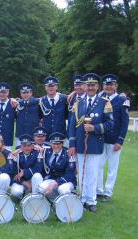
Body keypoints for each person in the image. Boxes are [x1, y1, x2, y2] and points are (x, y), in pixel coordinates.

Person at [68, 73, 114, 212]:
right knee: (81, 172)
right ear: (84, 86)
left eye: (93, 85)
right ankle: (82, 198)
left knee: (92, 173)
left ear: (97, 87)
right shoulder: (78, 103)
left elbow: (111, 124)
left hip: (94, 143)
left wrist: (94, 128)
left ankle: (91, 200)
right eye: (88, 85)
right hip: (80, 144)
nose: (90, 88)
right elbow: (71, 126)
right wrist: (71, 144)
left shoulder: (104, 102)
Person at [97, 74, 129, 202]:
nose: (108, 87)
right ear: (103, 86)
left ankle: (108, 193)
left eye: (111, 84)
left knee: (112, 168)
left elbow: (125, 122)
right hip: (100, 139)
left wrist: (120, 140)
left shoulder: (122, 100)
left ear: (116, 86)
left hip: (114, 140)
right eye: (106, 84)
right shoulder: (100, 98)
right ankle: (98, 191)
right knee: (98, 165)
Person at [38, 132, 77, 198]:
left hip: (66, 181)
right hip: (52, 179)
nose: (56, 146)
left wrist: (56, 183)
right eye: (54, 143)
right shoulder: (46, 152)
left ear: (62, 143)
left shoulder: (68, 154)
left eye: (58, 143)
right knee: (41, 188)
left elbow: (70, 174)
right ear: (51, 143)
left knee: (62, 189)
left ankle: (70, 198)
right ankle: (54, 200)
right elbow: (30, 146)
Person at [10, 134, 43, 198]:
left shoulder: (37, 153)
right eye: (24, 146)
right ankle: (22, 195)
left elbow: (38, 168)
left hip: (32, 179)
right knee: (16, 192)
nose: (26, 148)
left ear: (32, 146)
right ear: (21, 146)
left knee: (37, 176)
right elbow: (13, 172)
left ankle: (35, 196)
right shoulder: (17, 154)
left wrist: (24, 172)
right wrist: (24, 182)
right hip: (21, 180)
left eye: (29, 146)